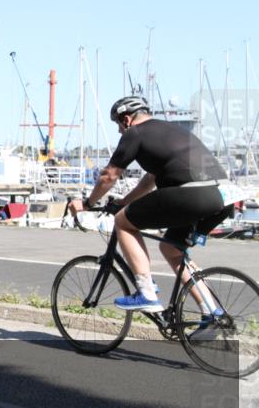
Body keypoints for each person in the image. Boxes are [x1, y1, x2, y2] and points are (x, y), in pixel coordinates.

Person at [69, 95, 232, 319]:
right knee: (172, 250)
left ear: (126, 119)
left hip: (191, 193)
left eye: (118, 125)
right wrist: (124, 202)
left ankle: (146, 293)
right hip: (221, 198)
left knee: (122, 222)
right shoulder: (171, 131)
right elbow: (150, 180)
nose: (119, 132)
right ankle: (212, 311)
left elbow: (109, 175)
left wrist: (87, 204)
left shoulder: (134, 133)